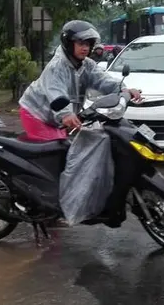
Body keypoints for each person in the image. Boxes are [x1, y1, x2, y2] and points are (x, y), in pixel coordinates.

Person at [19, 20, 142, 225]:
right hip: (38, 114)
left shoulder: (86, 65)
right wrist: (66, 114)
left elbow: (103, 81)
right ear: (69, 44)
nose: (85, 47)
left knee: (79, 149)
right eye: (80, 43)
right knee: (60, 155)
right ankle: (47, 202)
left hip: (61, 117)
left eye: (88, 43)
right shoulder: (57, 66)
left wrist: (125, 90)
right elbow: (56, 93)